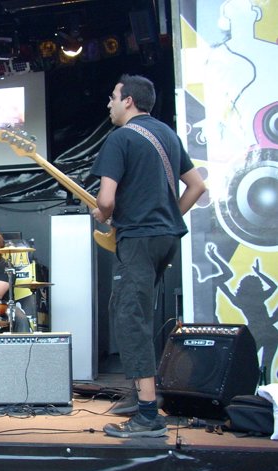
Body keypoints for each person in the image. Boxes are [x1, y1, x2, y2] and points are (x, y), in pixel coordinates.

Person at [90, 74, 206, 438]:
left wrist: (101, 214)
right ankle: (141, 392)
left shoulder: (120, 138)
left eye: (112, 96)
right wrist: (169, 219)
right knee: (132, 312)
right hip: (164, 239)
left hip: (138, 240)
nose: (109, 104)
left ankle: (147, 414)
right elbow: (197, 186)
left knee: (129, 316)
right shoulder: (168, 135)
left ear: (128, 101)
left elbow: (106, 200)